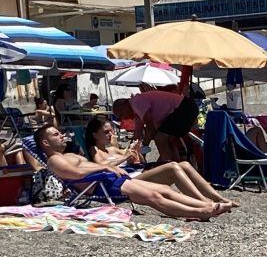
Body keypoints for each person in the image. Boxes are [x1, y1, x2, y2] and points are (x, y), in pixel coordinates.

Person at [36, 125, 230, 220]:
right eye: (55, 134)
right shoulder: (54, 160)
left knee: (164, 188)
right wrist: (104, 167)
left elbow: (81, 167)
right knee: (154, 196)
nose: (62, 135)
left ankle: (208, 204)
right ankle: (200, 212)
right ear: (45, 143)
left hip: (110, 178)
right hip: (102, 184)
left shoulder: (68, 154)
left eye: (60, 133)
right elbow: (76, 174)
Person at [84, 116, 239, 206]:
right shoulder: (95, 151)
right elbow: (100, 166)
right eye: (106, 132)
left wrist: (135, 154)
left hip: (138, 174)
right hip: (128, 182)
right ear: (94, 135)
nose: (111, 135)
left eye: (111, 131)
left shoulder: (112, 149)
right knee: (172, 166)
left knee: (184, 164)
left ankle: (218, 198)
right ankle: (205, 202)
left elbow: (137, 162)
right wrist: (125, 156)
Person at [113, 91, 199, 163]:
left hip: (184, 107)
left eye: (121, 115)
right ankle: (172, 164)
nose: (124, 118)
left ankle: (167, 165)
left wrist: (144, 148)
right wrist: (130, 150)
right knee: (167, 140)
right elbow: (137, 136)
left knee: (160, 138)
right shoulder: (137, 113)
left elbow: (150, 127)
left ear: (123, 105)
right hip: (184, 108)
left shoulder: (136, 102)